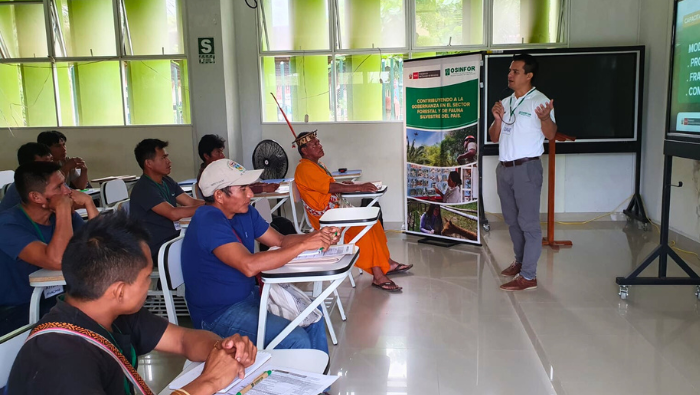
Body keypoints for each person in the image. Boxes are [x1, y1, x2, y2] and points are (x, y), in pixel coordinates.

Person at [6, 212, 257, 395]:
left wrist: (223, 349)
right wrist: (208, 382)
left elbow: (183, 339)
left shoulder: (111, 313)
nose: (149, 284)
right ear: (119, 291)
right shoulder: (59, 358)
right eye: (147, 276)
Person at [182, 159, 338, 353]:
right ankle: (298, 382)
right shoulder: (208, 222)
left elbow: (280, 240)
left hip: (248, 297)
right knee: (296, 340)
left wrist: (315, 236)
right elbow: (248, 265)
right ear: (219, 195)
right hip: (219, 314)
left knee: (313, 313)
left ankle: (318, 383)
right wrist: (305, 244)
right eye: (243, 188)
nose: (250, 193)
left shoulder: (245, 212)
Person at [293, 131, 413, 293]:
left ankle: (388, 263)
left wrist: (346, 183)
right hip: (326, 218)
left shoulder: (317, 165)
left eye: (319, 142)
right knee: (364, 229)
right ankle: (378, 276)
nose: (320, 146)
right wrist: (358, 186)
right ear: (304, 151)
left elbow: (327, 185)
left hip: (336, 210)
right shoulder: (304, 168)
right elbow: (329, 187)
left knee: (374, 223)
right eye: (314, 144)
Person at [0, 161, 99, 336]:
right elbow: (56, 261)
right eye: (59, 187)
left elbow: (102, 249)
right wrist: (62, 208)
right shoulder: (7, 224)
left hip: (57, 299)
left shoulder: (62, 217)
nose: (68, 191)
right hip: (16, 311)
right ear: (36, 197)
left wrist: (90, 205)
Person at [488, 53, 556, 291]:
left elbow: (550, 134)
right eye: (509, 71)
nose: (510, 75)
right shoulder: (505, 103)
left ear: (529, 75)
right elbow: (494, 137)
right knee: (512, 221)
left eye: (515, 71)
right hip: (504, 169)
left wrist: (546, 118)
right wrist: (497, 119)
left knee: (529, 224)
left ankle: (529, 276)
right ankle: (519, 261)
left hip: (526, 168)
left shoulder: (540, 102)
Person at [130, 139, 204, 260]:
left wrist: (214, 203)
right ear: (148, 163)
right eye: (163, 158)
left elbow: (191, 202)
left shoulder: (166, 181)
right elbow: (173, 214)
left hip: (173, 238)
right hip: (156, 246)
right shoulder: (144, 188)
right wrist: (209, 206)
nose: (169, 162)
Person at [0, 142, 54, 213]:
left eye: (51, 161)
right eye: (46, 162)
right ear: (29, 166)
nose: (51, 166)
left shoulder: (50, 179)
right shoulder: (26, 186)